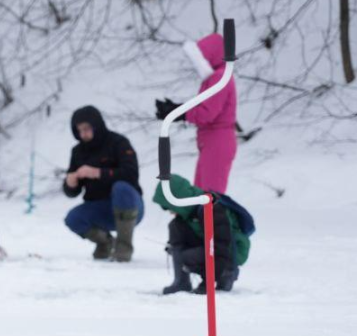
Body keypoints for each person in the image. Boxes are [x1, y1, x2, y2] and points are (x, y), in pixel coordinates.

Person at [155, 33, 238, 194]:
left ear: (211, 55)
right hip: (212, 141)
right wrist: (176, 108)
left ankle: (214, 220)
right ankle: (204, 220)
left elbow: (207, 113)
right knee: (201, 195)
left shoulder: (220, 77)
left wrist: (179, 112)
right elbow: (205, 106)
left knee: (210, 197)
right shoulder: (215, 77)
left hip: (217, 141)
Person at [62, 106, 144, 262]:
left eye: (86, 128)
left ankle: (123, 247)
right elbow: (72, 192)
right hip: (100, 209)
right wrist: (70, 183)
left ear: (96, 125)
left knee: (121, 188)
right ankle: (105, 242)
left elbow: (131, 174)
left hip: (130, 207)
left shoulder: (118, 142)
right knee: (73, 218)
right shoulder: (78, 151)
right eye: (79, 130)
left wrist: (98, 172)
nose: (83, 134)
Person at [152, 174, 254, 295]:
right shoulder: (187, 214)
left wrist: (207, 284)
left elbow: (221, 247)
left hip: (232, 252)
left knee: (185, 257)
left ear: (177, 200)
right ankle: (181, 283)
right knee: (175, 228)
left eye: (169, 207)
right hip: (214, 249)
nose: (169, 212)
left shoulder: (211, 208)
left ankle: (227, 272)